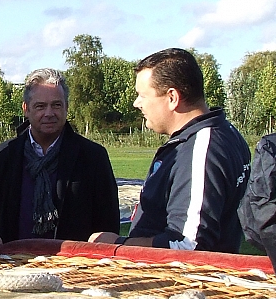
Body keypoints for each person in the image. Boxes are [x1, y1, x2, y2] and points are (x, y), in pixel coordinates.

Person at [90, 48, 250, 253]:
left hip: (177, 274)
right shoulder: (224, 131)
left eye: (143, 95)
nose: (137, 103)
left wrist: (117, 243)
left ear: (172, 97)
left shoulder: (201, 148)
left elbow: (188, 245)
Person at [0, 68, 120, 243]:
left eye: (56, 105)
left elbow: (108, 224)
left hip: (74, 259)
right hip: (14, 258)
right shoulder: (6, 155)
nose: (49, 113)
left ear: (66, 107)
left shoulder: (92, 156)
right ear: (26, 109)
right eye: (40, 106)